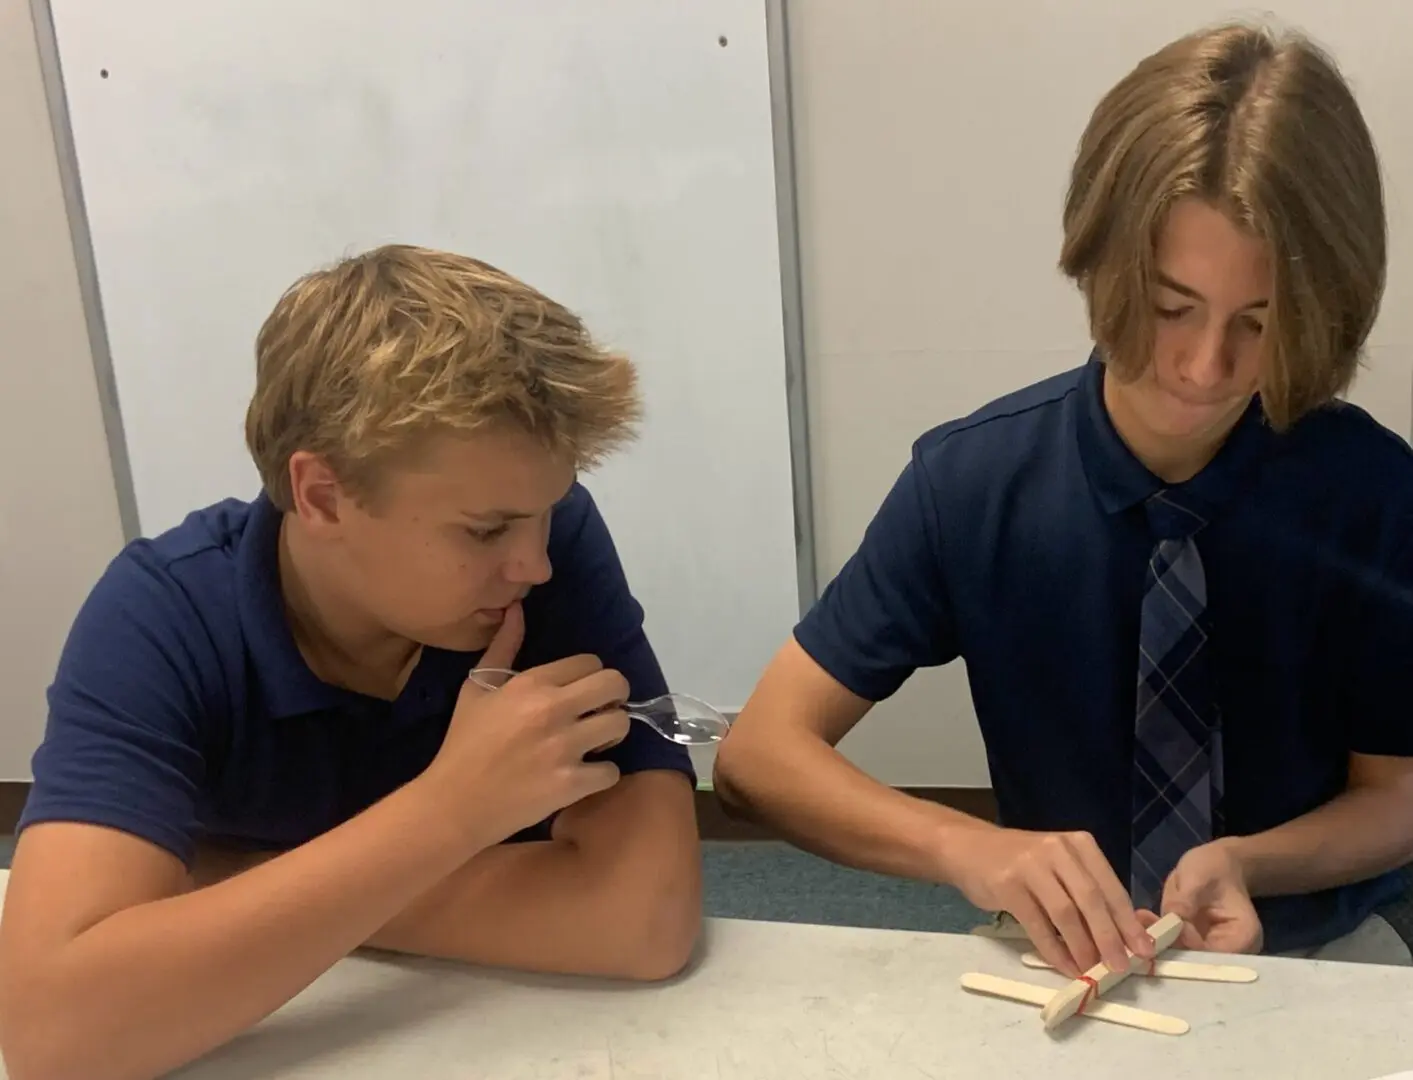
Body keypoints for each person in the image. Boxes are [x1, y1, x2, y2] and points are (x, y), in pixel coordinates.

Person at [714, 21, 1413, 978]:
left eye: (1260, 323)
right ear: (1100, 260)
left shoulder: (1371, 492)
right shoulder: (973, 483)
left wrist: (1254, 862)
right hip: (1066, 956)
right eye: (1170, 308)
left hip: (1315, 939)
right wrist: (971, 848)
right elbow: (758, 757)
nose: (1206, 368)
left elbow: (1397, 793)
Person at [0, 246, 702, 1080]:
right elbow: (55, 1032)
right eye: (484, 531)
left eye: (547, 512)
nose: (537, 565)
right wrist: (451, 813)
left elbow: (641, 919)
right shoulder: (163, 615)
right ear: (323, 497)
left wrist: (232, 877)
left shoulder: (539, 545)